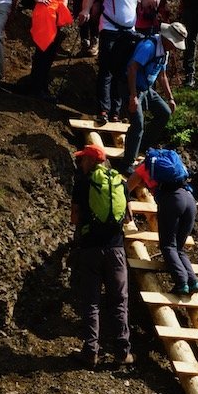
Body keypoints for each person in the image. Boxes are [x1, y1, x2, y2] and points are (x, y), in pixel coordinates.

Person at [70, 143, 133, 369]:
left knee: (91, 302)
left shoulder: (83, 183)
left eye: (82, 159)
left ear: (90, 161)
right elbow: (128, 218)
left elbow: (75, 218)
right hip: (116, 250)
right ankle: (122, 352)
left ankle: (91, 352)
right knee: (118, 301)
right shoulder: (121, 183)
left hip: (90, 251)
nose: (80, 163)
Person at [77, 0, 146, 126]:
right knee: (106, 69)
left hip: (129, 31)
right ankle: (103, 110)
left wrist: (154, 2)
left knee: (121, 71)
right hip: (109, 28)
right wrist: (85, 9)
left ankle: (116, 111)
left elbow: (144, 0)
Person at [121, 15, 188, 175]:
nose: (174, 48)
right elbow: (132, 69)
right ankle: (126, 164)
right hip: (132, 87)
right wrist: (132, 96)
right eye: (174, 44)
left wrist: (170, 98)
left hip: (146, 88)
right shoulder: (149, 47)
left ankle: (142, 146)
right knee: (137, 124)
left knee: (164, 113)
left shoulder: (164, 51)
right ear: (167, 39)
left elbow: (162, 75)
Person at [129, 150, 198, 297]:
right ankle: (193, 281)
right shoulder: (173, 165)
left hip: (172, 201)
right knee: (178, 248)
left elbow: (126, 188)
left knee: (168, 245)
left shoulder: (144, 167)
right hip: (189, 198)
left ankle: (181, 283)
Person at [23, 0, 76, 100]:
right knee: (43, 48)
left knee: (51, 50)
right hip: (45, 11)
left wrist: (64, 5)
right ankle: (36, 87)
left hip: (56, 10)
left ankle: (40, 86)